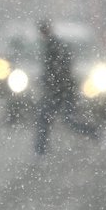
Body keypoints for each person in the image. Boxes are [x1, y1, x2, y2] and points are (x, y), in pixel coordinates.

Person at [34, 19, 98, 155]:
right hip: (61, 91)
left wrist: (51, 82)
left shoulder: (54, 46)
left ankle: (40, 151)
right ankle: (40, 151)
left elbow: (59, 70)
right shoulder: (53, 45)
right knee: (56, 119)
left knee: (58, 120)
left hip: (61, 91)